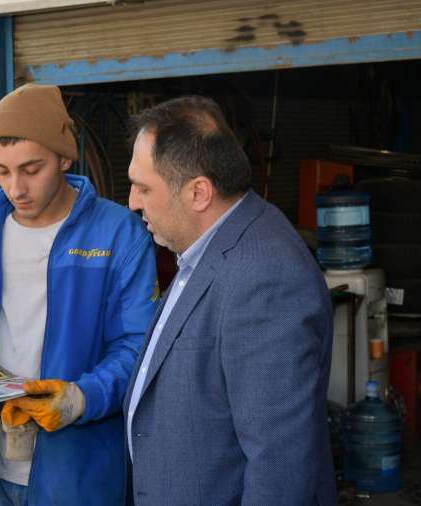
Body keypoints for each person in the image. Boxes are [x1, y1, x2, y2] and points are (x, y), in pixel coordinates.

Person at [0, 83, 158, 506]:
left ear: (64, 157)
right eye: (1, 170)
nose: (15, 187)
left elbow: (139, 346)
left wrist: (80, 398)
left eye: (31, 169)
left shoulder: (118, 234)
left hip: (75, 473)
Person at [124, 96, 336, 505]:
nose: (132, 201)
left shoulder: (265, 278)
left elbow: (279, 467)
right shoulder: (209, 248)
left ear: (199, 193)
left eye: (144, 187)